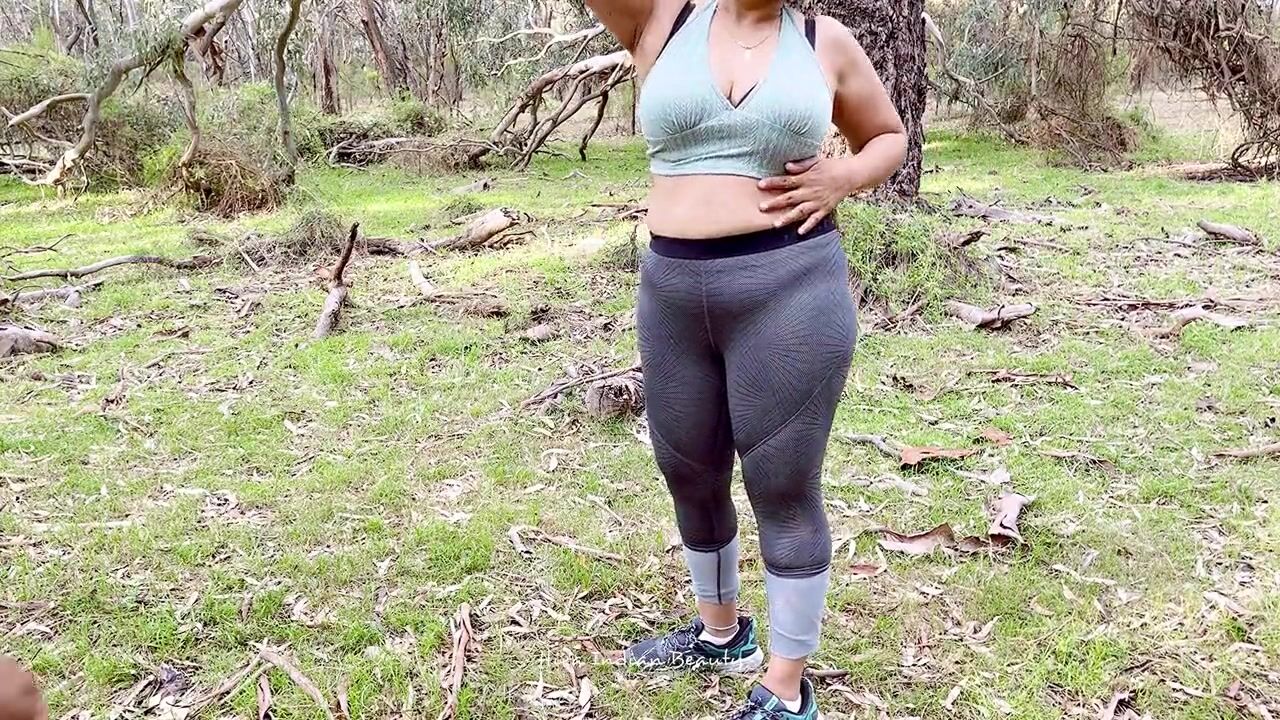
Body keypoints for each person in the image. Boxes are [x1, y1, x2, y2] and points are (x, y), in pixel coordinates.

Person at [584, 0, 907, 715]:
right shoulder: (660, 20)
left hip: (790, 288)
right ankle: (722, 634)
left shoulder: (824, 41)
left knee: (782, 484)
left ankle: (786, 688)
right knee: (688, 468)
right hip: (672, 294)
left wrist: (843, 176)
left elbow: (888, 136)